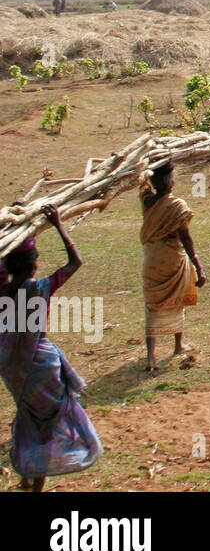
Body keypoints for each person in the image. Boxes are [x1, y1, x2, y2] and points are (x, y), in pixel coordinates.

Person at [0, 206, 103, 491]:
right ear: (35, 266)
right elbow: (75, 262)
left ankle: (25, 475)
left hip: (11, 367)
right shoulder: (41, 287)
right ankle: (36, 485)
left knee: (27, 413)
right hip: (42, 364)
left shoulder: (3, 289)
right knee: (47, 420)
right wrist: (58, 225)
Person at [139, 161, 205, 372]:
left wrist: (145, 167)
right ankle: (178, 345)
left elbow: (141, 183)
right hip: (172, 259)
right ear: (171, 182)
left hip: (151, 259)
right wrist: (198, 265)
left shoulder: (147, 201)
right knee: (178, 300)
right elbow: (186, 238)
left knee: (152, 304)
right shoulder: (177, 206)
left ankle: (151, 357)